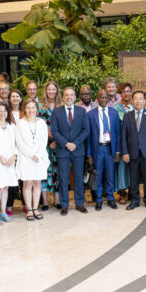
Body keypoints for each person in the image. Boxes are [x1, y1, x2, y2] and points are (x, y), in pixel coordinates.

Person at [50, 87, 91, 215]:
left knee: (79, 177)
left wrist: (75, 143)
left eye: (71, 95)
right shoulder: (56, 112)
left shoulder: (81, 111)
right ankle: (64, 204)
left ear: (75, 97)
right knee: (63, 178)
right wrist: (66, 144)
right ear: (63, 97)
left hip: (78, 150)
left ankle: (79, 203)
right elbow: (54, 131)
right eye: (66, 95)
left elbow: (86, 130)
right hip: (63, 150)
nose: (69, 97)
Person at [122, 91, 146, 211]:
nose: (138, 101)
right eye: (136, 99)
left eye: (140, 99)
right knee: (133, 178)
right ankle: (135, 200)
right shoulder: (127, 116)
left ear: (144, 101)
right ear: (133, 101)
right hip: (132, 152)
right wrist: (125, 152)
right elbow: (123, 136)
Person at [15, 99, 49, 221]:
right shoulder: (20, 123)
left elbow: (44, 140)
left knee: (37, 183)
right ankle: (29, 209)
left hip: (39, 158)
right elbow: (19, 142)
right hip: (26, 158)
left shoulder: (42, 123)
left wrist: (38, 155)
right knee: (27, 184)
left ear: (36, 109)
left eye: (33, 108)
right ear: (24, 109)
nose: (31, 110)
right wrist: (31, 154)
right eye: (28, 108)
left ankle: (35, 208)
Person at [88, 89, 121, 210]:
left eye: (105, 97)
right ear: (97, 99)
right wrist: (89, 154)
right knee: (98, 175)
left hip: (110, 149)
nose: (103, 99)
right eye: (101, 97)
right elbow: (89, 136)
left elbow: (117, 133)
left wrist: (117, 151)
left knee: (110, 174)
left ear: (108, 99)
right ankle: (98, 200)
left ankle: (110, 198)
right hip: (98, 149)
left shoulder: (114, 113)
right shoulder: (91, 114)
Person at [38, 81, 61, 211]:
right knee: (45, 171)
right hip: (43, 144)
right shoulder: (40, 106)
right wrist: (47, 134)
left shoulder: (61, 105)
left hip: (58, 144)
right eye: (49, 89)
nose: (51, 91)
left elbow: (65, 126)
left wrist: (56, 140)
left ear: (57, 91)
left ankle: (57, 200)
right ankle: (45, 201)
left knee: (57, 171)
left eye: (54, 89)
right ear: (45, 91)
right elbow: (36, 123)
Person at [114, 83, 134, 204]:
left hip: (134, 143)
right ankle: (122, 193)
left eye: (128, 91)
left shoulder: (134, 106)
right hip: (122, 142)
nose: (126, 93)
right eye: (124, 91)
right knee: (121, 168)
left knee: (132, 168)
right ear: (120, 93)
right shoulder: (116, 107)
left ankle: (132, 190)